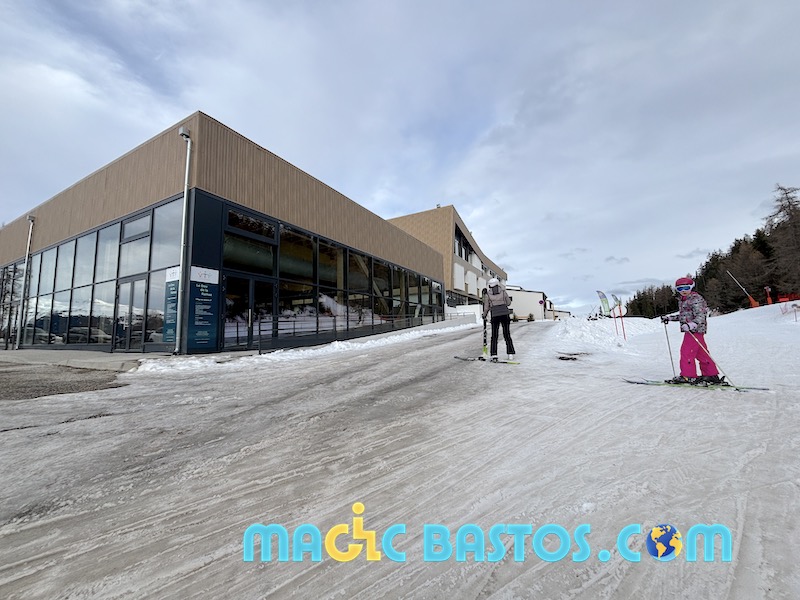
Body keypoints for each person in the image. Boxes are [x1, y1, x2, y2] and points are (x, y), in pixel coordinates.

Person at [661, 276, 721, 384]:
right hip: (693, 330)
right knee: (701, 353)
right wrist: (669, 318)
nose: (683, 291)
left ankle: (688, 376)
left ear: (691, 287)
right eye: (680, 289)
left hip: (695, 330)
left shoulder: (695, 299)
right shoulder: (683, 300)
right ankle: (711, 375)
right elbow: (684, 316)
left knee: (687, 352)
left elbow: (701, 315)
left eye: (686, 288)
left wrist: (692, 324)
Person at [482, 277, 516, 361]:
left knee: (494, 336)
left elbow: (486, 307)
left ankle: (494, 354)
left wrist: (484, 315)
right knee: (507, 334)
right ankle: (510, 354)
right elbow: (508, 303)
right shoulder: (503, 292)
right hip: (505, 314)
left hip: (495, 315)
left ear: (490, 286)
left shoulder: (488, 295)